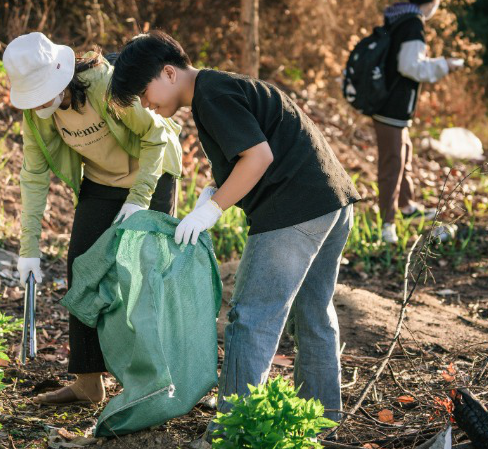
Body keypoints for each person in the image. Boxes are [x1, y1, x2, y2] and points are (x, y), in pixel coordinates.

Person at [108, 30, 360, 431]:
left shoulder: (212, 95)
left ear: (168, 73)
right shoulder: (220, 87)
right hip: (332, 201)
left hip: (292, 211)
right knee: (313, 313)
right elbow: (248, 153)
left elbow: (258, 157)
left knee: (250, 317)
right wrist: (211, 192)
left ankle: (233, 429)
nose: (146, 105)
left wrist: (212, 209)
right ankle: (323, 420)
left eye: (143, 93)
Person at [2, 33, 182, 405]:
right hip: (100, 182)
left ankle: (158, 383)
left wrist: (138, 199)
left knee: (146, 276)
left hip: (152, 173)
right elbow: (33, 177)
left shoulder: (102, 83)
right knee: (82, 269)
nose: (37, 104)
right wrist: (29, 249)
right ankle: (87, 383)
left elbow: (155, 137)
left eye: (41, 93)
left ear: (61, 76)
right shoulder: (37, 117)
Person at [373, 0, 462, 243]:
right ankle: (387, 225)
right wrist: (444, 65)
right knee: (393, 163)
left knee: (405, 155)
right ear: (434, 0)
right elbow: (409, 66)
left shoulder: (399, 16)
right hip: (392, 106)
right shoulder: (413, 24)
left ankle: (407, 207)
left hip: (390, 103)